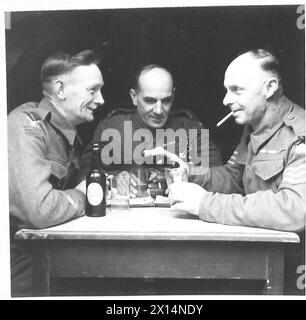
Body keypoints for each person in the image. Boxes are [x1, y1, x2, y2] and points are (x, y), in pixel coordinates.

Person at [168, 49, 305, 232]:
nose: (226, 100)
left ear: (270, 88)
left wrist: (205, 204)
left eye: (237, 90)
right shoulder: (253, 127)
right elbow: (235, 178)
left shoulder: (301, 133)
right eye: (227, 90)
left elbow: (296, 210)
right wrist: (189, 173)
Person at [8, 49, 105, 296]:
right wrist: (85, 196)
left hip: (43, 254)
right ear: (60, 90)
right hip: (16, 265)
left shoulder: (66, 135)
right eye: (93, 90)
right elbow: (42, 210)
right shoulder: (26, 126)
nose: (101, 99)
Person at [77, 64, 223, 196]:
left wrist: (175, 175)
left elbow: (218, 176)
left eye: (166, 100)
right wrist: (115, 179)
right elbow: (83, 175)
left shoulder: (189, 128)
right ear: (134, 97)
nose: (159, 110)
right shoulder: (113, 127)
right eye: (150, 101)